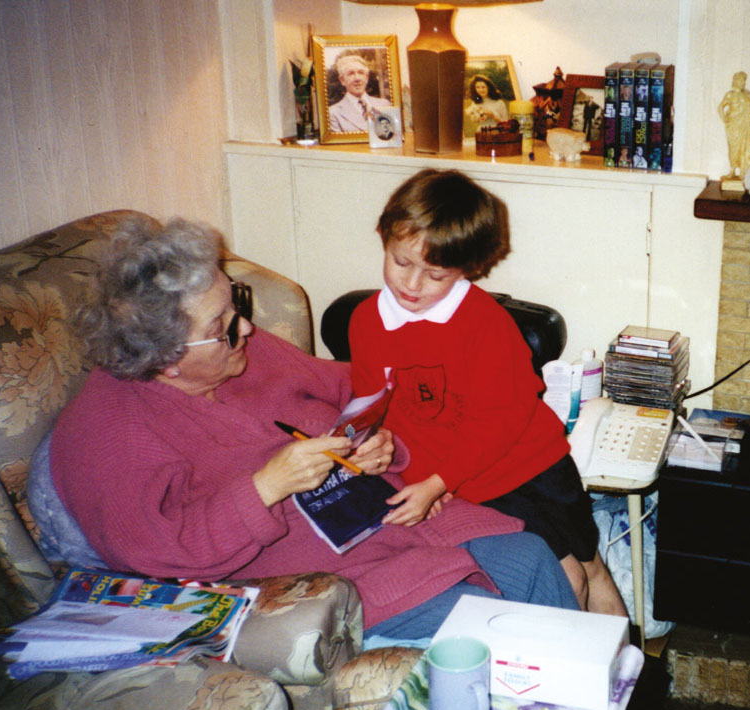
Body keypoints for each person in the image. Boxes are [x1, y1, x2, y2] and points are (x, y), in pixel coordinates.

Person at [36, 216, 579, 646]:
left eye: (237, 304)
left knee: (531, 557)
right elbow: (160, 554)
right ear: (169, 358)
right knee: (494, 624)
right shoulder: (106, 435)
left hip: (399, 515)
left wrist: (382, 441)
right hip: (326, 575)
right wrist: (267, 486)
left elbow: (353, 390)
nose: (247, 328)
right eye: (222, 327)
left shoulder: (247, 355)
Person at [348, 168, 628, 617]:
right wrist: (381, 452)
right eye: (401, 262)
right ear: (384, 237)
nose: (412, 284)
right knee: (564, 579)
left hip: (531, 467)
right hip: (470, 486)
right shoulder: (365, 321)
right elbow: (373, 408)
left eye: (435, 274)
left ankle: (613, 682)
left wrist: (439, 481)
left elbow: (499, 420)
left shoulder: (486, 324)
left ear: (465, 269)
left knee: (591, 570)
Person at [328, 53, 391, 133]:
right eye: (351, 73)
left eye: (361, 73)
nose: (357, 78)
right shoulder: (333, 113)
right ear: (342, 80)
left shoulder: (384, 105)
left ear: (367, 77)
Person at [718, 71, 750, 180]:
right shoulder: (730, 94)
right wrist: (725, 119)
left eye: (744, 80)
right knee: (733, 148)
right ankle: (732, 170)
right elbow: (720, 107)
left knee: (744, 148)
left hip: (745, 125)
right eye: (741, 80)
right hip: (733, 126)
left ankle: (743, 171)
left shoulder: (748, 94)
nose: (743, 82)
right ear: (735, 81)